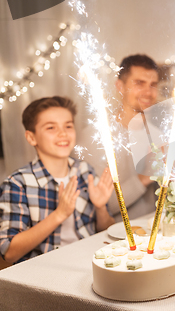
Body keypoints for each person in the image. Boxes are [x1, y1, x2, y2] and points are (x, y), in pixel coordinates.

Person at [0, 97, 115, 264]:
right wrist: (59, 214)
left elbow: (105, 230)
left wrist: (100, 208)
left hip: (90, 262)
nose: (63, 133)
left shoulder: (85, 171)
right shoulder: (17, 184)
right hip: (44, 273)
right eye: (51, 127)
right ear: (31, 138)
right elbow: (9, 252)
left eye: (68, 126)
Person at [77, 54, 160, 220]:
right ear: (120, 86)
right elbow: (98, 207)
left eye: (153, 85)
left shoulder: (157, 134)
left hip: (153, 235)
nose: (148, 92)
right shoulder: (95, 136)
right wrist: (145, 177)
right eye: (139, 83)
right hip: (112, 240)